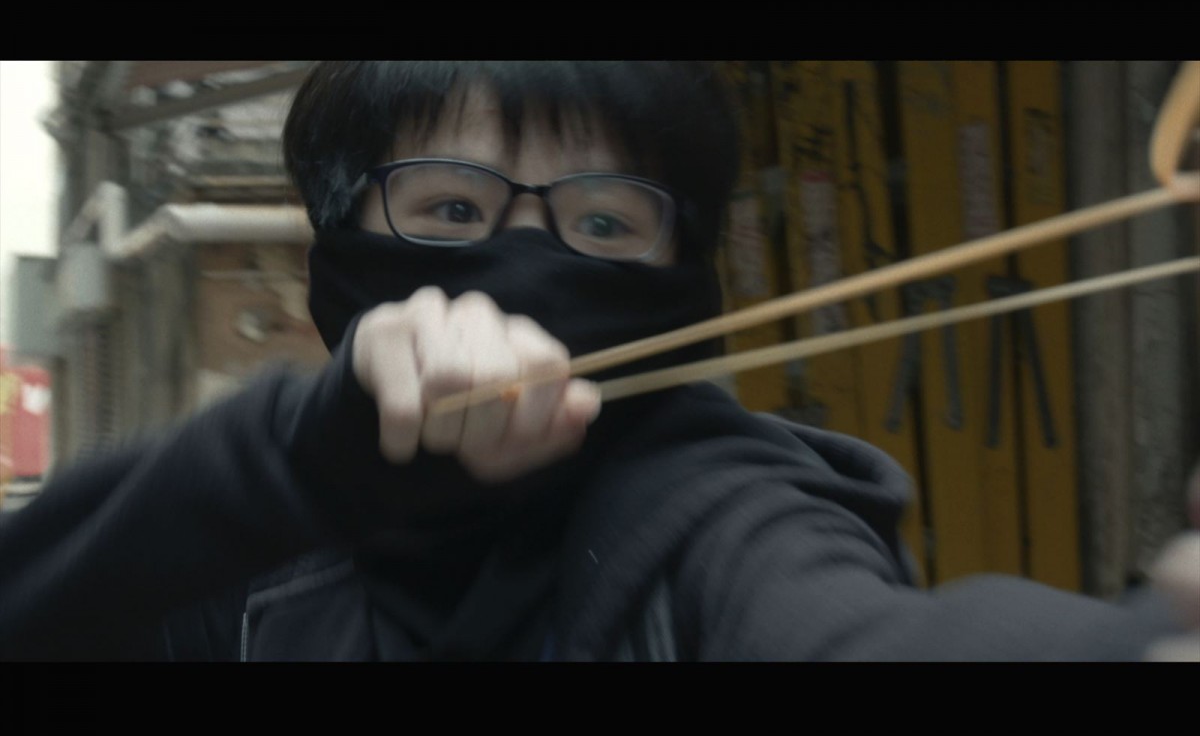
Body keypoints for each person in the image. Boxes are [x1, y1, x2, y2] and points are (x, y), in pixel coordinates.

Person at [1, 61, 1196, 661]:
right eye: (452, 210)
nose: (525, 263)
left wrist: (1139, 636)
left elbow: (845, 635)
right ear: (337, 249)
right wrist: (305, 456)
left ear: (687, 268)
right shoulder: (255, 535)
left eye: (604, 222)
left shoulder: (719, 502)